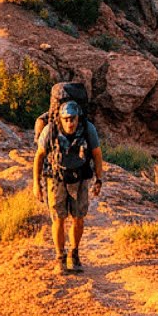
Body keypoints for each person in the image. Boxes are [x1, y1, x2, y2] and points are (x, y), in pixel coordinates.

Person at [32, 100, 103, 273]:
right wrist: (37, 184)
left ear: (78, 118)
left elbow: (97, 154)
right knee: (58, 218)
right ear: (61, 119)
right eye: (67, 119)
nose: (70, 123)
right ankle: (60, 258)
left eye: (73, 119)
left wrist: (98, 179)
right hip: (56, 178)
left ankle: (74, 254)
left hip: (80, 177)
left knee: (78, 218)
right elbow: (39, 156)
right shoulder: (50, 130)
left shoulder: (88, 129)